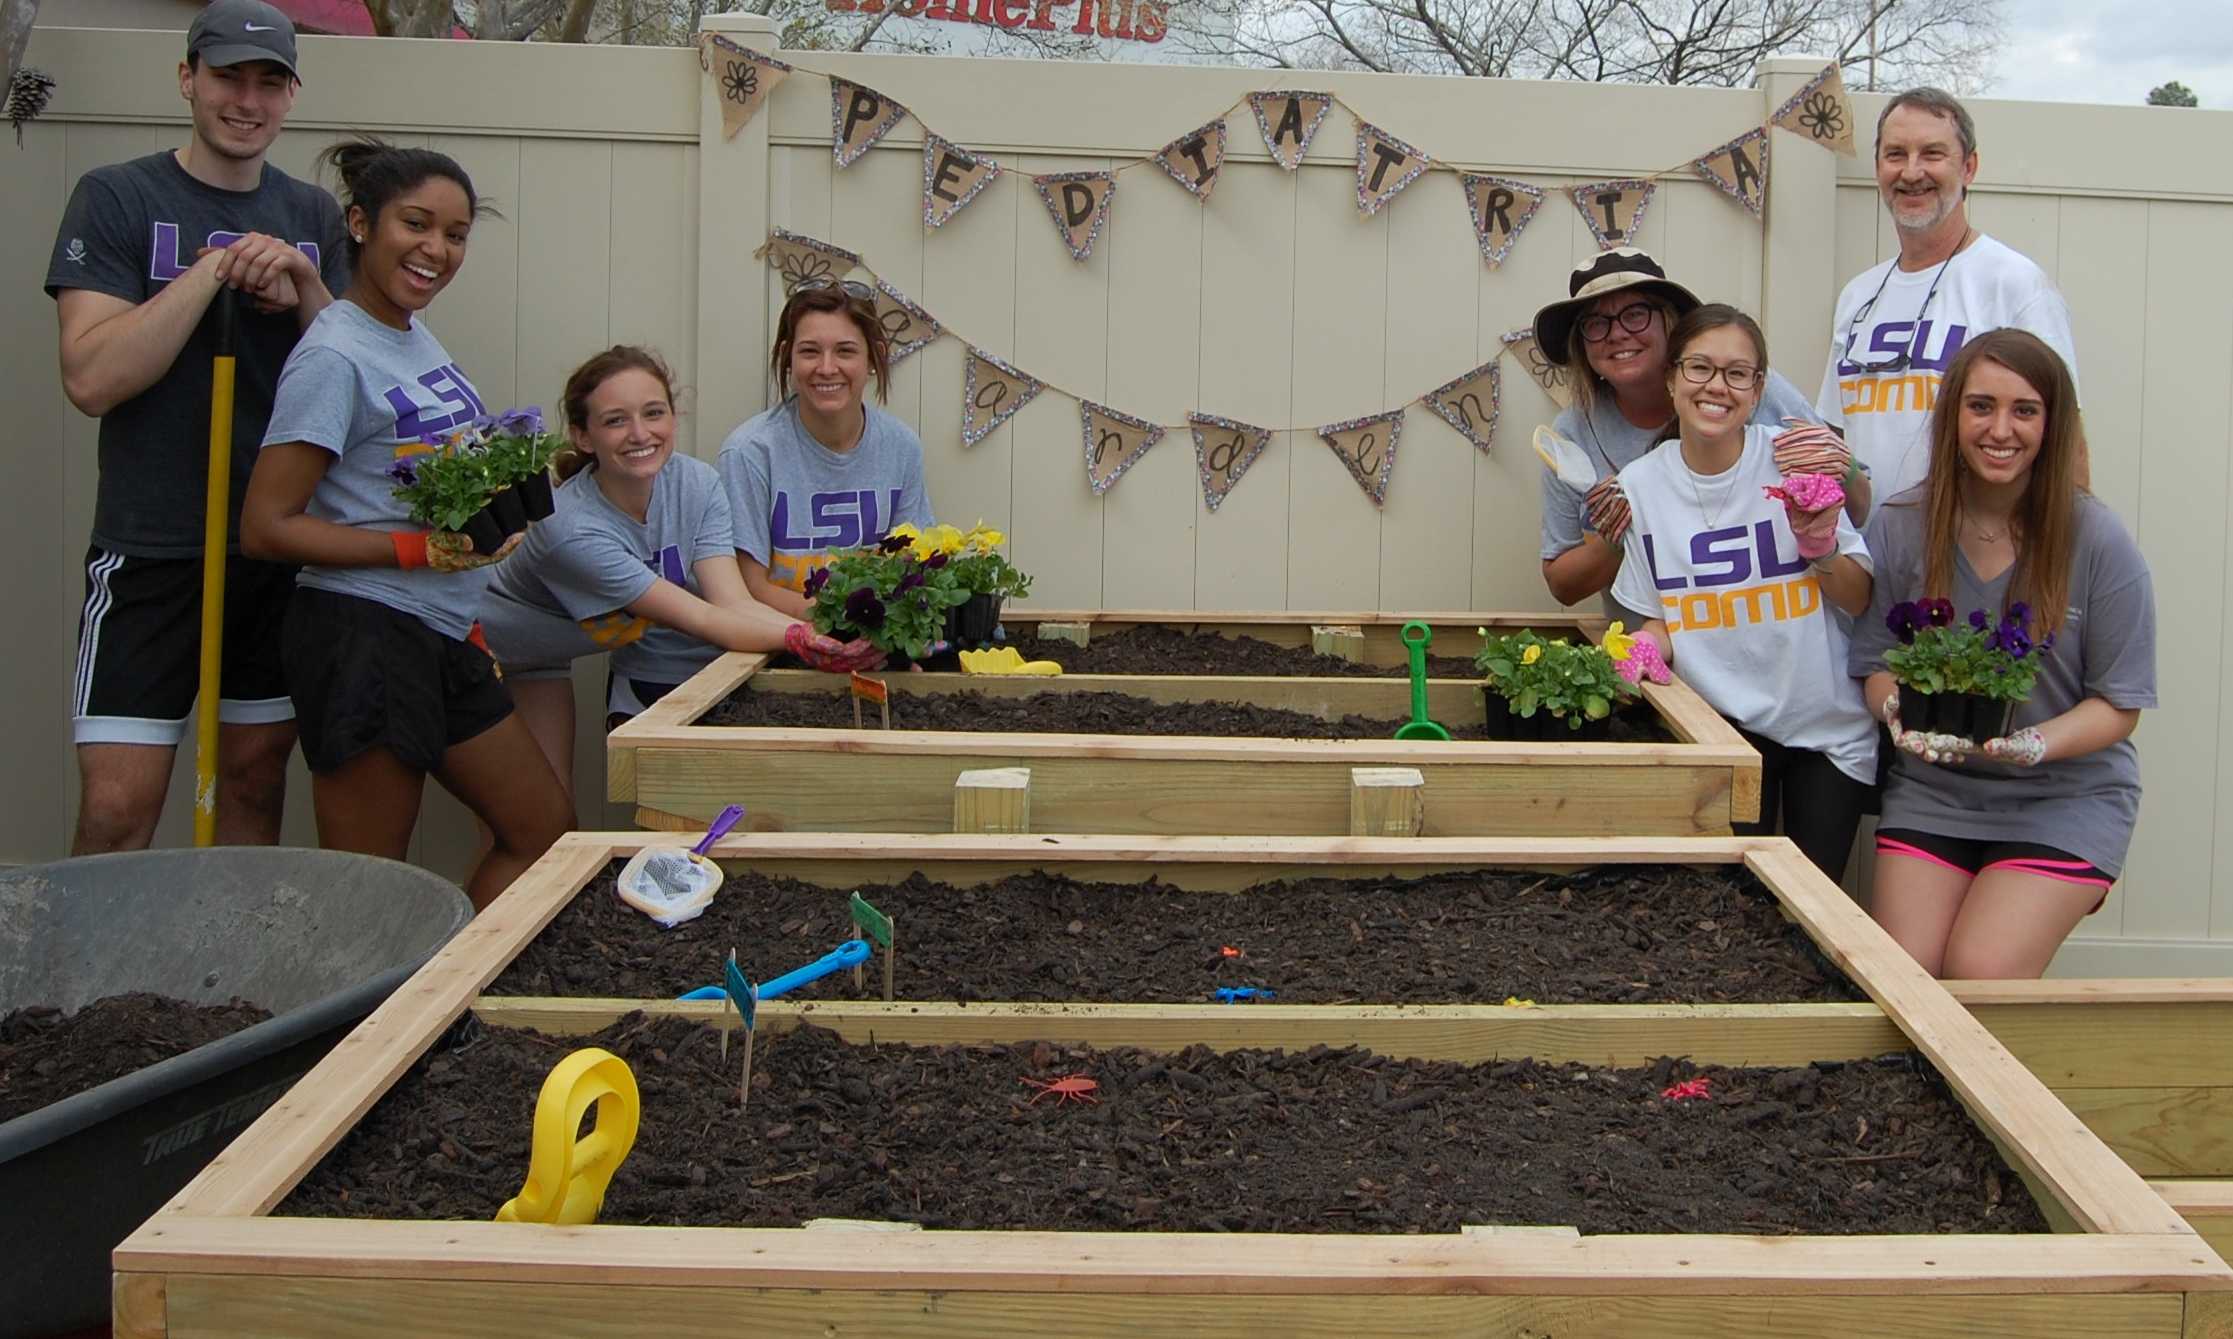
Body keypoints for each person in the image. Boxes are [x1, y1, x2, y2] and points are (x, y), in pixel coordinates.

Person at [45, 0, 348, 853]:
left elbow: (352, 374)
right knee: (116, 808)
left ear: (290, 95)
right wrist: (214, 266)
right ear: (188, 79)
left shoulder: (314, 219)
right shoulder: (117, 195)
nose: (246, 100)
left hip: (272, 547)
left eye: (268, 81)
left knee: (254, 779)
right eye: (227, 77)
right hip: (152, 546)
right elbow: (92, 377)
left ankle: (236, 989)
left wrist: (302, 287)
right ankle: (86, 988)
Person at [239, 138, 570, 911]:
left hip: (443, 633)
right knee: (371, 891)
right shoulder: (332, 358)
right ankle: (368, 1029)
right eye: (415, 225)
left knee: (544, 832)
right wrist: (422, 549)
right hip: (362, 639)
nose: (436, 250)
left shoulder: (409, 334)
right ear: (360, 223)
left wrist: (468, 593)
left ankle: (446, 993)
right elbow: (267, 525)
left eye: (454, 234)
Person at [1849, 330, 2153, 979]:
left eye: (2024, 409)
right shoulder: (1903, 524)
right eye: (1980, 405)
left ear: (2052, 424)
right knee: (1901, 975)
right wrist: (1897, 709)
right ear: (1952, 413)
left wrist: (2032, 743)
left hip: (2063, 796)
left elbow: (2119, 702)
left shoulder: (2096, 539)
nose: (2000, 428)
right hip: (1936, 788)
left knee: (1981, 970)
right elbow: (1875, 659)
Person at [476, 346, 883, 810]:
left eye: (654, 413)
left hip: (548, 657)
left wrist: (822, 629)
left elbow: (730, 603)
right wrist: (804, 638)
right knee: (531, 825)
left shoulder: (696, 483)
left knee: (544, 822)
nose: (639, 434)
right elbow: (703, 620)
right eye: (615, 421)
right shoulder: (569, 528)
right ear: (582, 437)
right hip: (487, 649)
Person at [1609, 305, 1879, 879]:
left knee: (1811, 910)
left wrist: (1821, 544)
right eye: (1700, 367)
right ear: (1672, 378)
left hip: (1826, 732)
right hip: (1724, 733)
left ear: (1757, 391)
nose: (1717, 387)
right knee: (1732, 914)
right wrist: (1645, 649)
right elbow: (1659, 620)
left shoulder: (1789, 458)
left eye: (1737, 374)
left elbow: (1859, 600)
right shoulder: (1640, 487)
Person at [1531, 249, 1860, 615]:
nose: (1617, 333)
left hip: (1776, 638)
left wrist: (1843, 469)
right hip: (1654, 655)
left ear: (1670, 324)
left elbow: (1859, 513)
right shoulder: (1573, 433)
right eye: (1595, 323)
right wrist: (1617, 536)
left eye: (1636, 315)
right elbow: (1562, 585)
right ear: (1582, 344)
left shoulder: (1747, 389)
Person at [1818, 87, 2083, 504]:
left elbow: (2067, 440)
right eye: (1895, 154)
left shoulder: (2015, 284)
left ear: (1969, 167)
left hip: (1979, 557)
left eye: (1932, 154)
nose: (1911, 172)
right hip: (1869, 556)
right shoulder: (1858, 296)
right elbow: (1835, 438)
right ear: (1877, 168)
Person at [720, 280, 935, 614]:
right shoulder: (750, 452)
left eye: (845, 351)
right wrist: (845, 624)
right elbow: (751, 587)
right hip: (777, 642)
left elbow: (912, 568)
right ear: (787, 358)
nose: (826, 368)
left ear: (874, 357)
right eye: (809, 351)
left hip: (876, 643)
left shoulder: (900, 447)